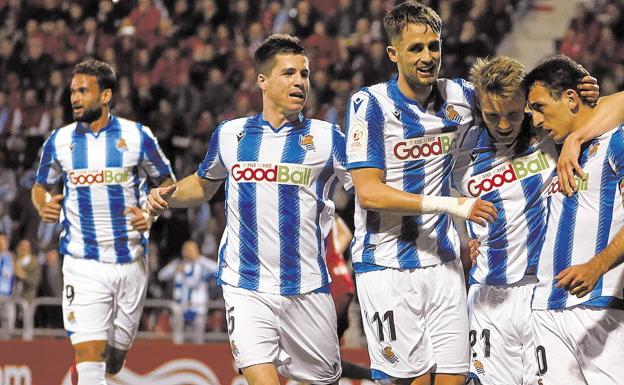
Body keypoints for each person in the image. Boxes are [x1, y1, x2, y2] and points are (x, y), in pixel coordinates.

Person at [147, 34, 349, 385]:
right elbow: (203, 184)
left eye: (304, 74)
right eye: (288, 73)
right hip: (246, 285)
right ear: (263, 80)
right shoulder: (231, 135)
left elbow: (368, 190)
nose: (300, 81)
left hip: (308, 289)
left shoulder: (329, 137)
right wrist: (167, 194)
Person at [344, 2, 497, 384]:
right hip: (386, 266)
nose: (428, 57)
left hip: (443, 263)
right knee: (403, 379)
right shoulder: (370, 105)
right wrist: (452, 206)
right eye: (416, 49)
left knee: (454, 375)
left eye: (434, 46)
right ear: (393, 54)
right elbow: (369, 194)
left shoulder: (461, 96)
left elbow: (517, 101)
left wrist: (578, 107)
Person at [453, 55, 624, 385]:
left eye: (515, 113)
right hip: (494, 296)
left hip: (543, 293)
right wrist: (465, 239)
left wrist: (576, 135)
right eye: (492, 115)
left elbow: (607, 106)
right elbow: (433, 188)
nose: (504, 124)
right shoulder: (462, 147)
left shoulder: (552, 136)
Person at [31, 58, 175, 385]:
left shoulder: (138, 137)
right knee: (89, 358)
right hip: (83, 263)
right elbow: (40, 187)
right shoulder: (60, 140)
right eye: (72, 91)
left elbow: (167, 182)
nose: (75, 98)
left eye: (83, 91)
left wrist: (151, 211)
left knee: (114, 360)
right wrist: (43, 205)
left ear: (106, 96)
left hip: (131, 262)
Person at [524, 55, 624, 385]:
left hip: (602, 305)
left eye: (539, 107)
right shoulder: (545, 153)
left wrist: (597, 265)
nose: (535, 120)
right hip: (545, 309)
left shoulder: (617, 140)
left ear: (570, 98)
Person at [157, 239, 217, 343]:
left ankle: (198, 356)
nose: (188, 251)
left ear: (197, 250)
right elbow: (161, 275)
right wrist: (174, 268)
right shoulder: (178, 264)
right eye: (186, 249)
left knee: (198, 338)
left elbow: (217, 269)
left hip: (198, 305)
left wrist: (199, 258)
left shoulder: (202, 264)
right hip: (180, 306)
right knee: (178, 337)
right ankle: (178, 355)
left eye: (191, 249)